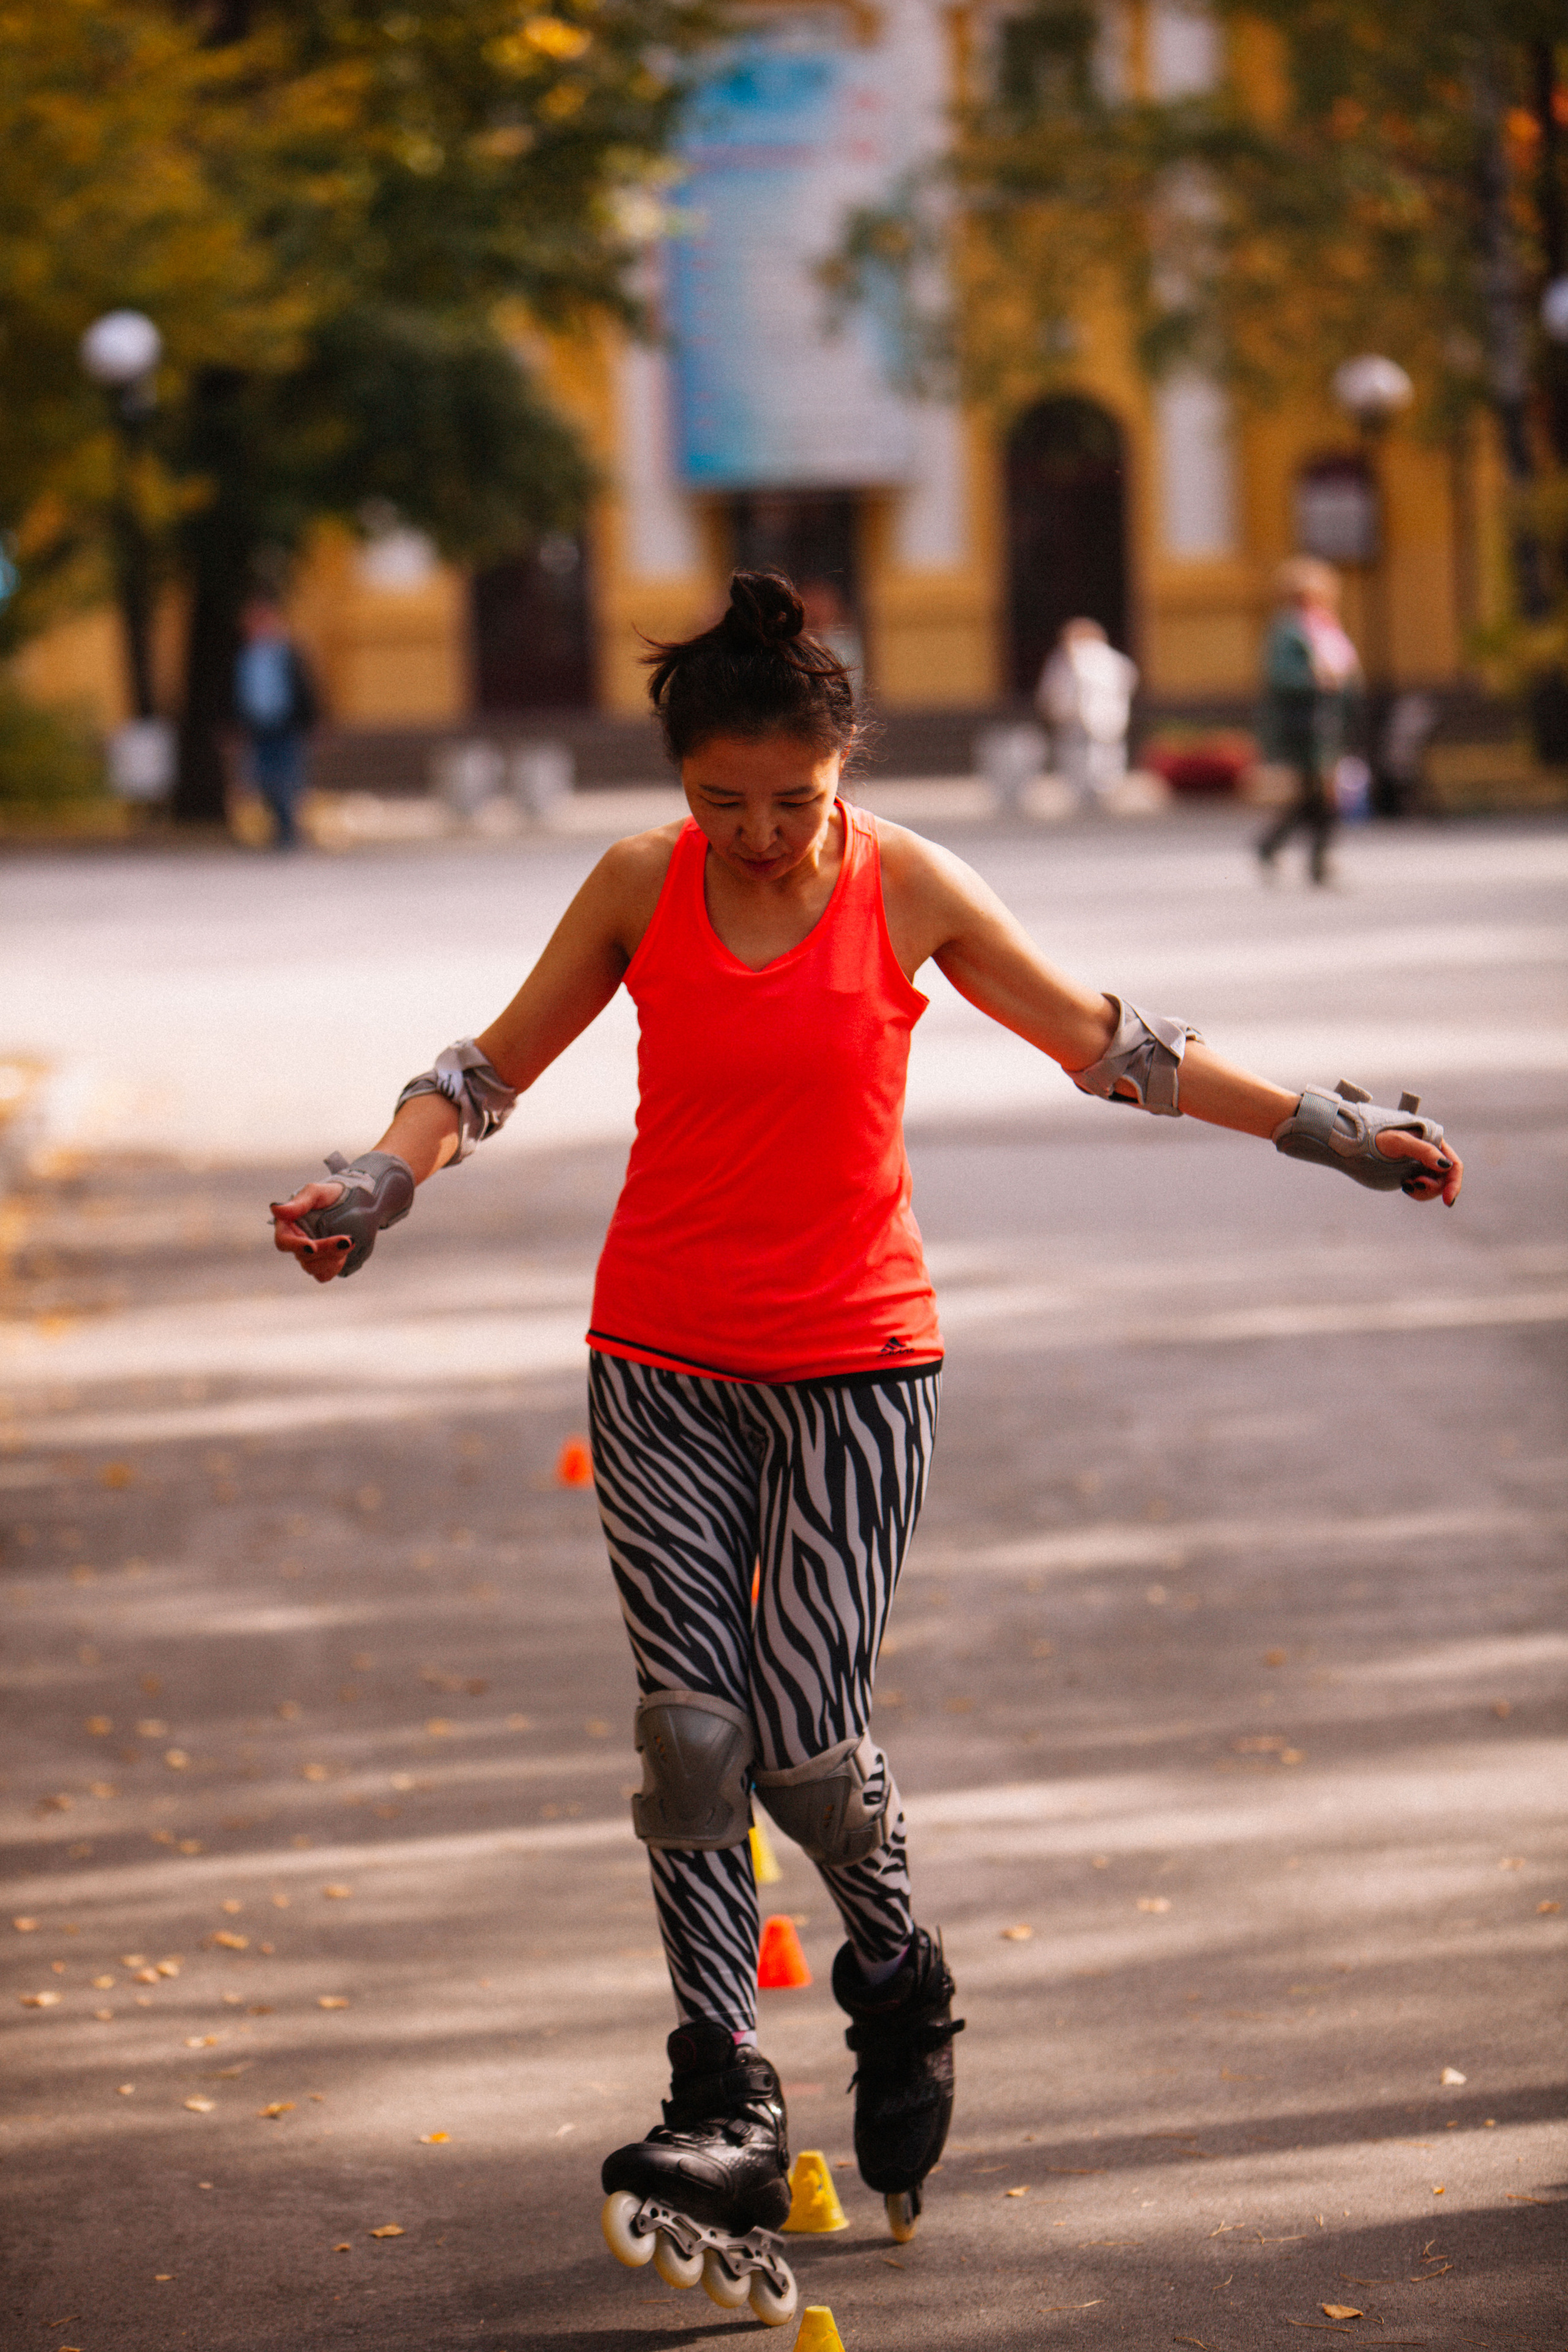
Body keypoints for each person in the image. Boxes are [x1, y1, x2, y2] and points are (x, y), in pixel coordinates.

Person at [269, 570, 1461, 2323]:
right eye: (719, 804)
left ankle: (896, 1977)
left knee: (809, 1743)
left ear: (844, 771)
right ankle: (721, 2089)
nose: (756, 837)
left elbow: (1106, 1043)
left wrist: (1330, 1128)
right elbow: (487, 1067)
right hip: (660, 1360)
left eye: (792, 804)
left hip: (857, 1366)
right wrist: (381, 1178)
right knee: (692, 1734)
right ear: (681, 788)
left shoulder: (904, 881)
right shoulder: (635, 884)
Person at [1255, 556, 1362, 885]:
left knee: (1318, 794)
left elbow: (1349, 672)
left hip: (1329, 720)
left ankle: (1277, 846)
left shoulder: (1327, 626)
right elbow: (1279, 675)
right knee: (1320, 793)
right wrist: (1315, 677)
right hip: (1303, 722)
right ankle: (1317, 858)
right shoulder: (1289, 630)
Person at [233, 599, 320, 850]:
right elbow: (236, 692)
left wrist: (310, 721)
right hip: (257, 725)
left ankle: (287, 831)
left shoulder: (288, 653)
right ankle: (279, 826)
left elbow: (305, 688)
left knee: (288, 778)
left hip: (286, 724)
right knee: (262, 778)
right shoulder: (242, 655)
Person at [1035, 617, 1139, 807]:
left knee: (1100, 767)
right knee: (1080, 765)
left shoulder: (1092, 658)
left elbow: (1052, 692)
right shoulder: (1063, 659)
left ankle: (1097, 799)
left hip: (1095, 722)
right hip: (1080, 723)